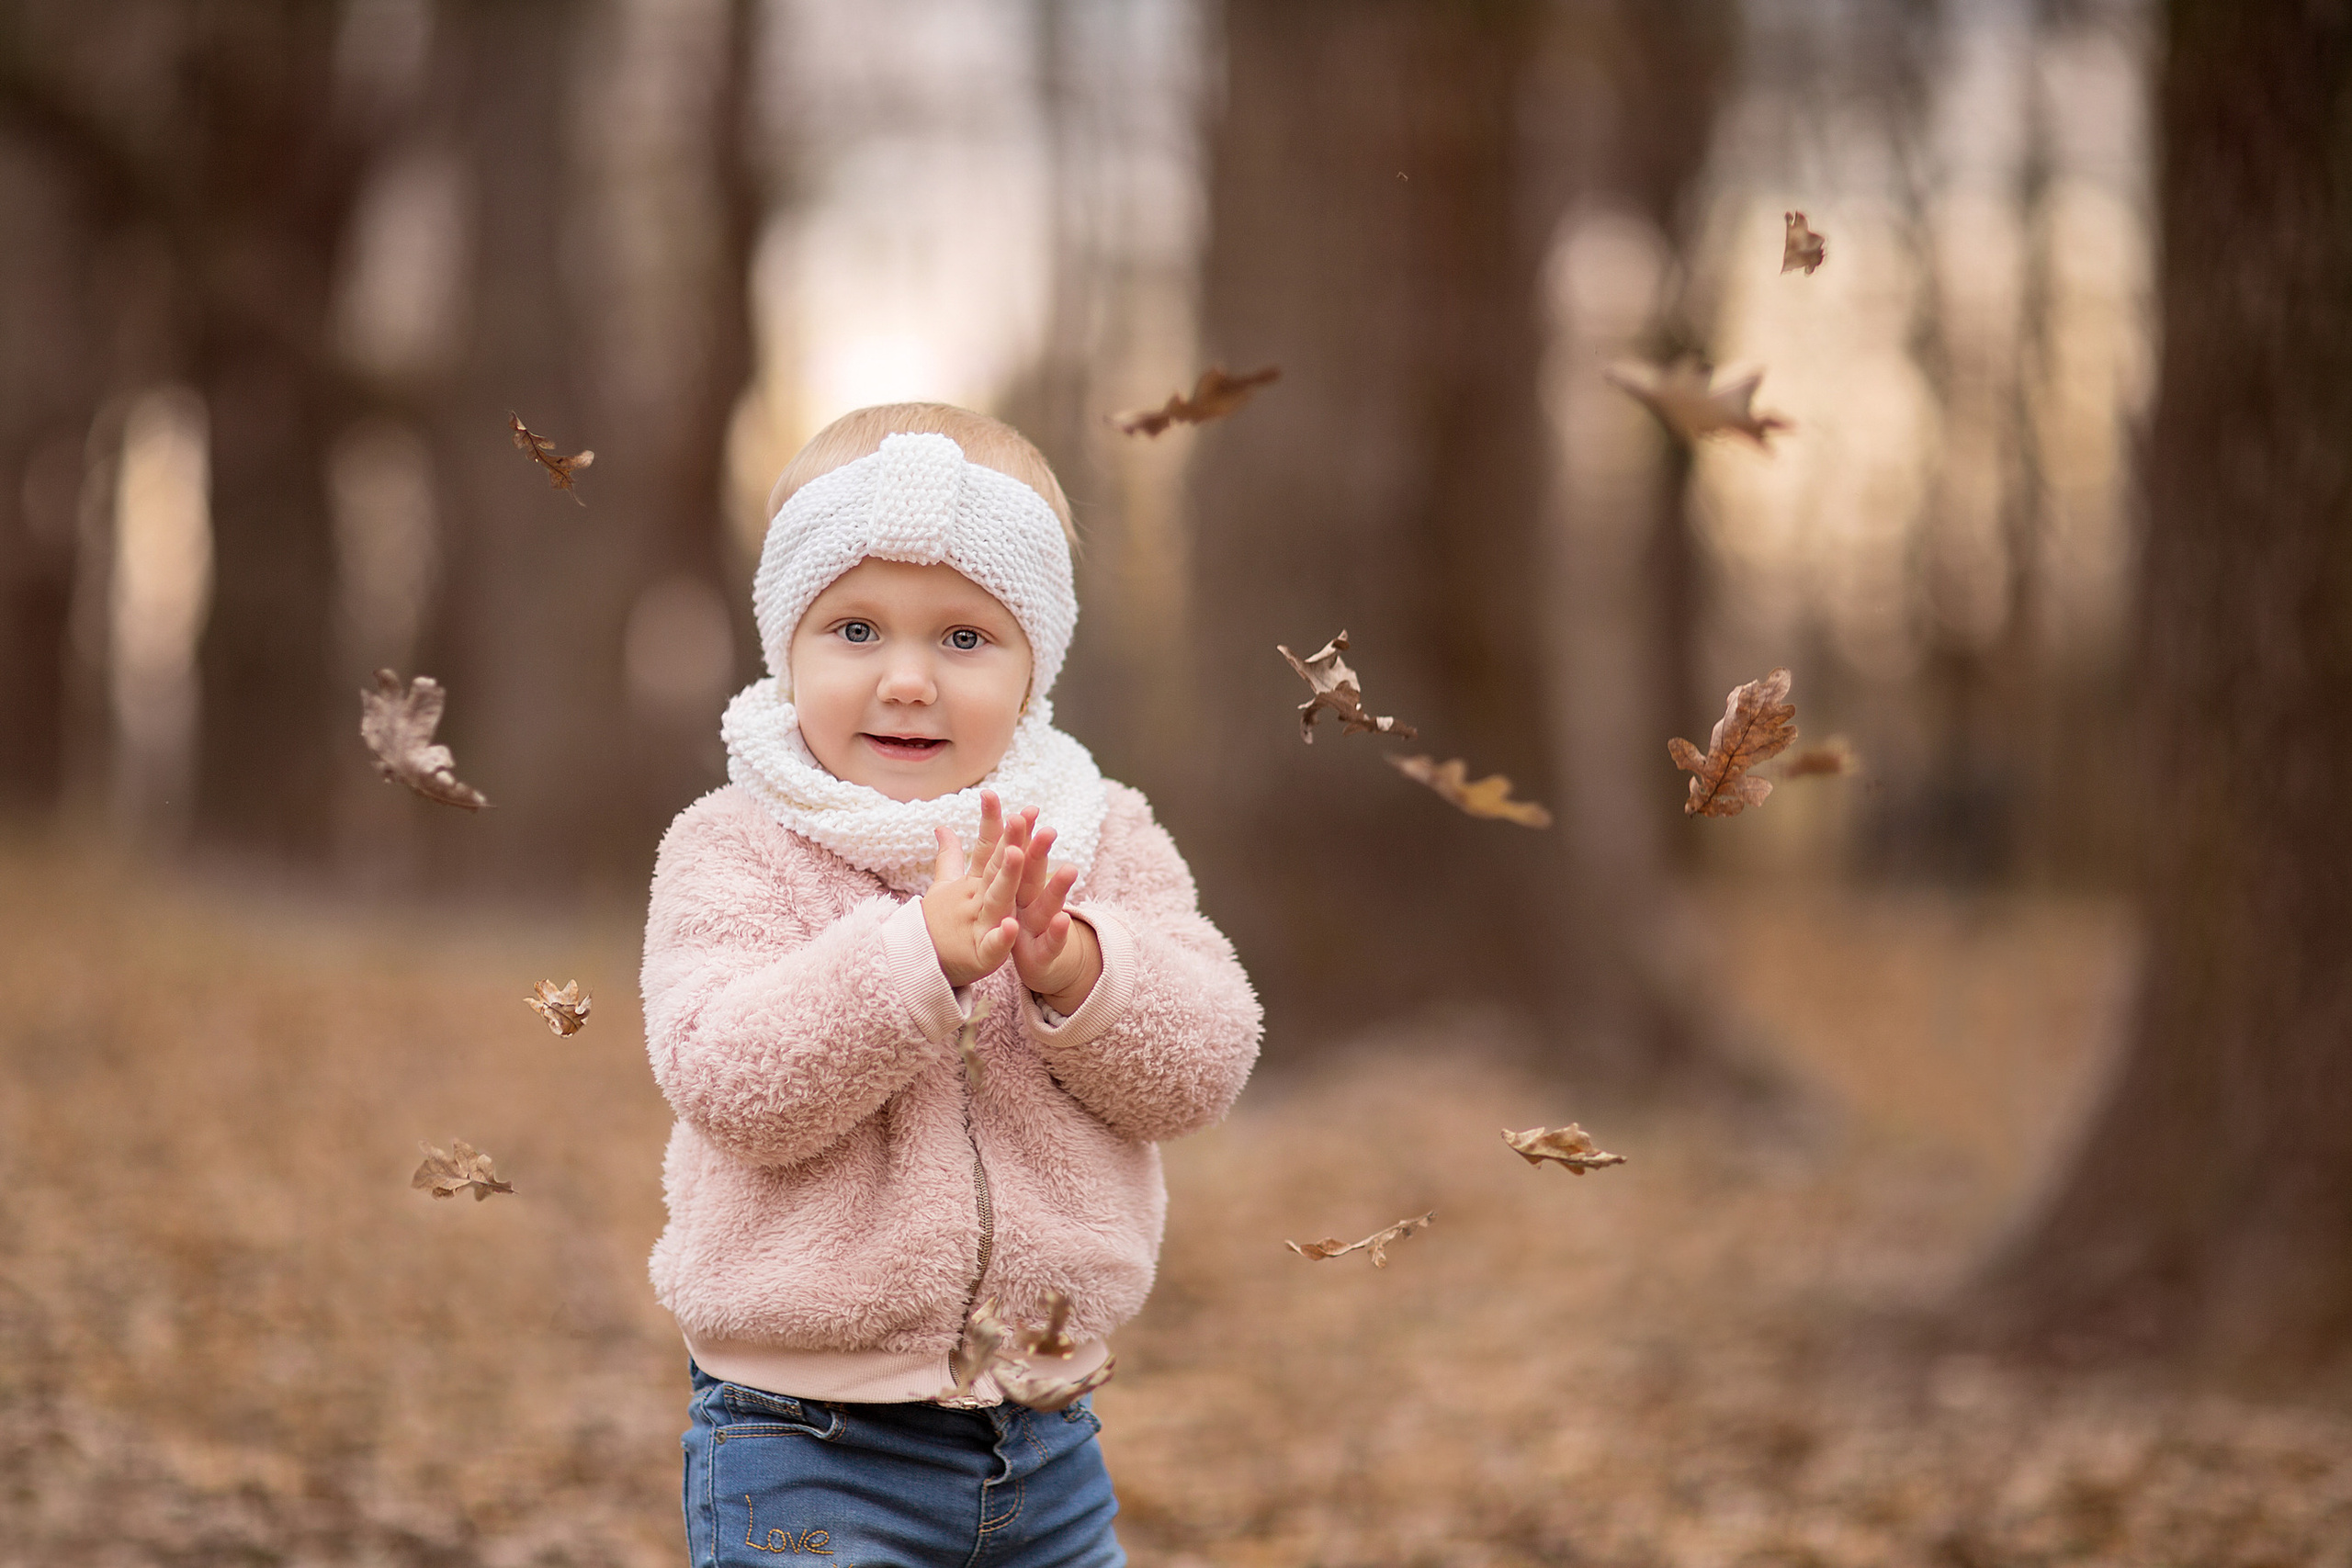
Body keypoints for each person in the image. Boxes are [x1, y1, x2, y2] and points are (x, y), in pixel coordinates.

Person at [641, 402, 1262, 1567]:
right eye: (858, 629)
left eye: (966, 639)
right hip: (807, 1440)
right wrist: (911, 963)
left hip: (1047, 1437)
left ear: (1036, 667)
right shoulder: (736, 844)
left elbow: (1207, 1060)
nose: (910, 681)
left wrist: (1079, 967)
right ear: (788, 648)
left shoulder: (1097, 835)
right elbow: (727, 1077)